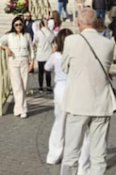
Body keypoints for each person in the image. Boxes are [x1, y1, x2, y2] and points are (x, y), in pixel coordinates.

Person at [60, 8, 116, 175]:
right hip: (101, 103)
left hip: (78, 102)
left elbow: (65, 67)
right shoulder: (108, 44)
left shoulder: (71, 41)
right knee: (99, 155)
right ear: (95, 23)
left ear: (78, 23)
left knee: (71, 153)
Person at [46, 29, 92, 170]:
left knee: (60, 121)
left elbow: (47, 67)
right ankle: (78, 155)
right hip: (74, 87)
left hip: (60, 88)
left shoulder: (56, 56)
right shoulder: (77, 55)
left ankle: (54, 154)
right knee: (78, 123)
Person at [0, 16, 35, 118]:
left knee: (24, 85)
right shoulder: (10, 36)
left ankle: (18, 108)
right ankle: (22, 109)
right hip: (14, 61)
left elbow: (31, 49)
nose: (18, 27)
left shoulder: (27, 35)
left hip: (24, 61)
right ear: (13, 26)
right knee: (17, 86)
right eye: (16, 25)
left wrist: (32, 62)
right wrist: (6, 48)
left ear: (23, 25)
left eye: (20, 24)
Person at [34, 18, 57, 93]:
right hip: (48, 54)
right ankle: (48, 86)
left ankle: (40, 87)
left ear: (41, 25)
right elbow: (53, 41)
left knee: (40, 72)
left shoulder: (38, 32)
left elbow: (34, 42)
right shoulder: (51, 33)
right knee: (48, 71)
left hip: (40, 54)